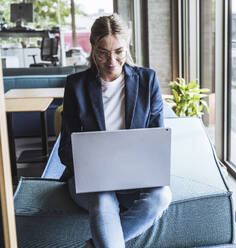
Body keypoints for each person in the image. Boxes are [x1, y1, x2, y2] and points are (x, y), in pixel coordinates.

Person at [58, 14, 172, 248]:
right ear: (92, 48)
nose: (112, 60)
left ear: (127, 46)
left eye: (119, 51)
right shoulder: (76, 86)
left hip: (136, 177)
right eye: (103, 52)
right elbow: (65, 150)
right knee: (102, 199)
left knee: (162, 197)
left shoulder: (147, 80)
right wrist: (90, 162)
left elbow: (155, 139)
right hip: (91, 181)